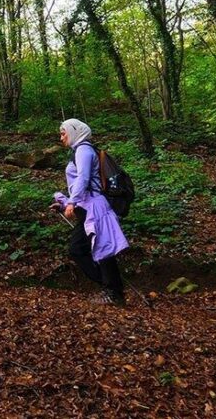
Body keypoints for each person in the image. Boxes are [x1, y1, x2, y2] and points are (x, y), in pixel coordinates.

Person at [50, 119, 129, 306]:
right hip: (88, 207)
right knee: (86, 249)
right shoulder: (80, 151)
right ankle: (112, 288)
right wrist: (64, 205)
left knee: (97, 248)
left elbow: (83, 179)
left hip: (95, 207)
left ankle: (113, 291)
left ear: (74, 131)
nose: (61, 138)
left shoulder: (83, 150)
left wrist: (72, 202)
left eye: (63, 133)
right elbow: (80, 183)